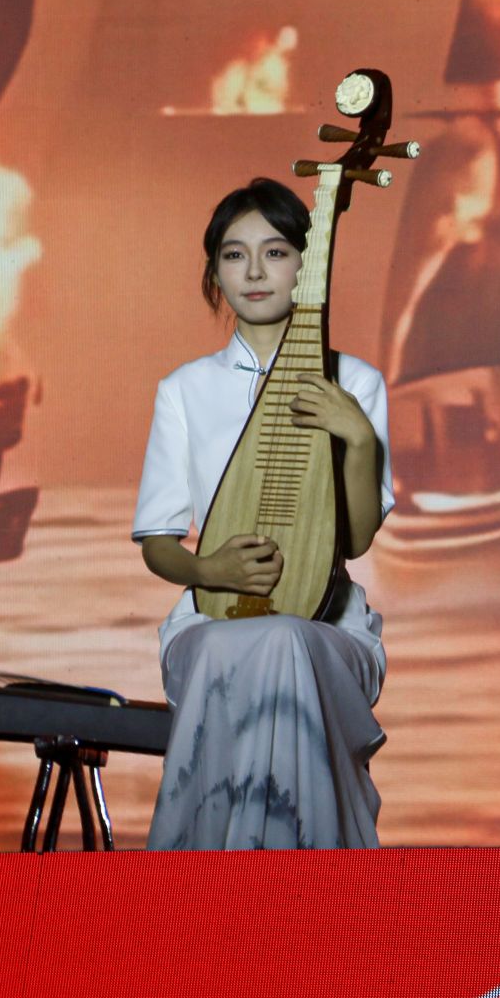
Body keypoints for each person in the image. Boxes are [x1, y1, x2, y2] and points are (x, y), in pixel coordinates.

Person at [132, 178, 394, 849]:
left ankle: (284, 878)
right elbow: (159, 542)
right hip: (208, 621)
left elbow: (354, 539)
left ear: (308, 267)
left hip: (327, 627)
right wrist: (209, 570)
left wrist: (359, 438)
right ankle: (219, 880)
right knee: (252, 640)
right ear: (214, 273)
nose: (253, 272)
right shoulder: (185, 389)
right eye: (234, 254)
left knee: (283, 639)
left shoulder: (354, 380)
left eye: (275, 252)